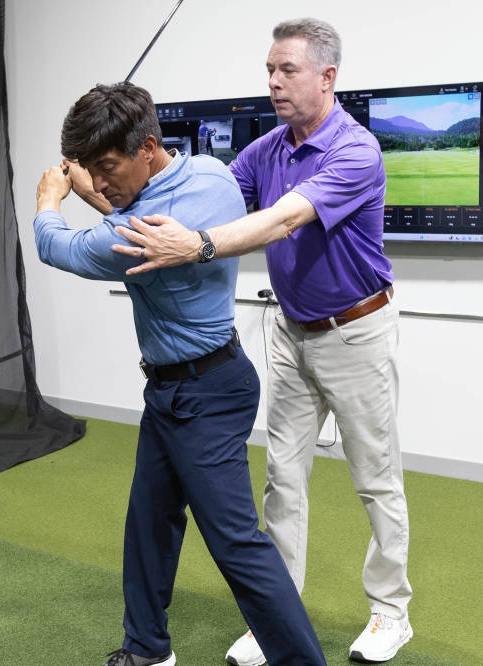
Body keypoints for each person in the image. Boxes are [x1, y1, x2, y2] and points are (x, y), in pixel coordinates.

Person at [103, 19, 414, 665]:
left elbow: (281, 220)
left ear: (327, 77)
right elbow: (207, 197)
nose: (273, 82)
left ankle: (391, 613)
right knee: (282, 481)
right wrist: (120, 161)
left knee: (375, 480)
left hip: (356, 330)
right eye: (270, 70)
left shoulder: (355, 151)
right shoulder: (267, 148)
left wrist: (200, 244)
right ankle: (279, 617)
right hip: (291, 330)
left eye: (288, 71)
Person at [33, 81, 327, 666]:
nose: (102, 180)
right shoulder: (213, 177)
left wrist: (50, 196)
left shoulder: (131, 231)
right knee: (149, 522)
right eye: (92, 169)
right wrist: (99, 184)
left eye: (108, 165)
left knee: (237, 545)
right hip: (180, 389)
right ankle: (147, 650)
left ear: (147, 146)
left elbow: (57, 246)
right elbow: (127, 204)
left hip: (204, 394)